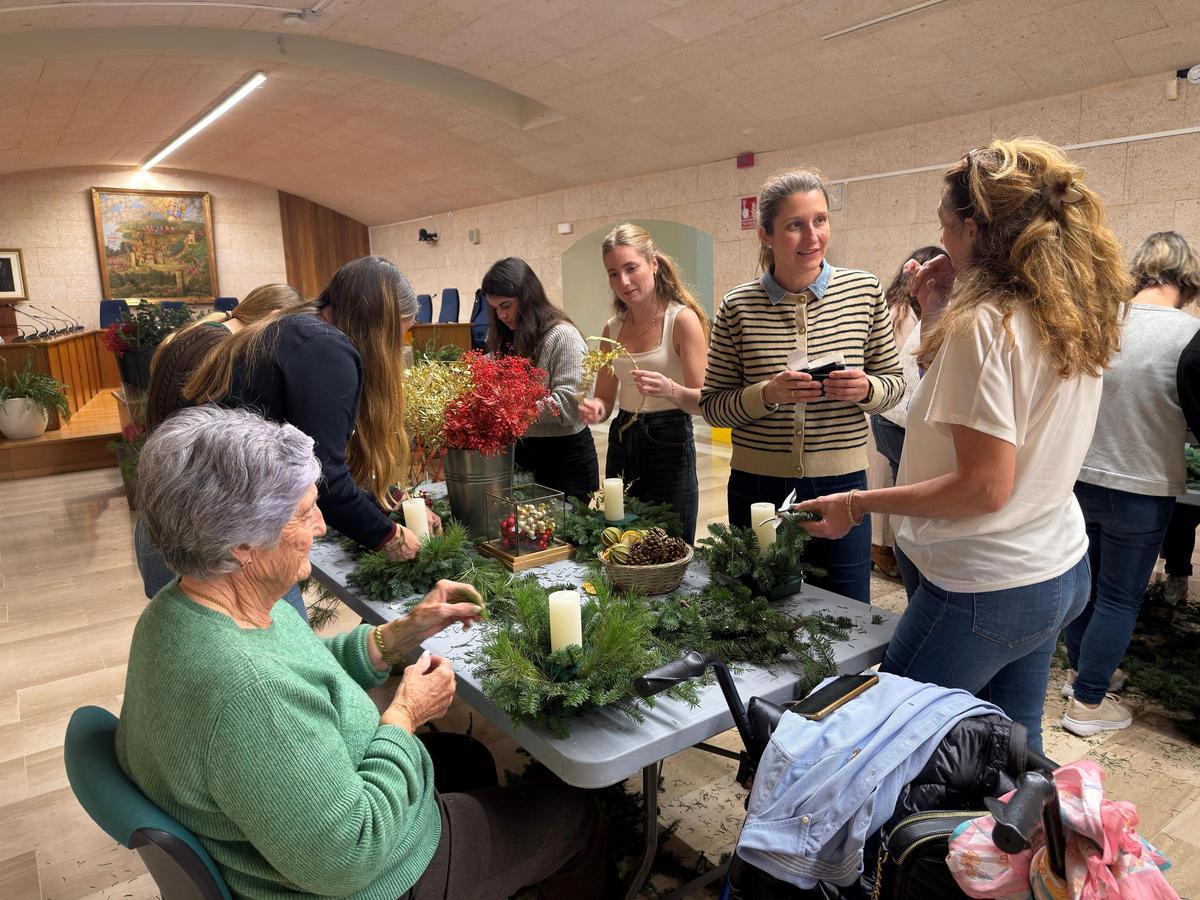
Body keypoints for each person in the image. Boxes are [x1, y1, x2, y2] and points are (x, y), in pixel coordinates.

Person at [117, 405, 605, 900]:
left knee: (468, 757)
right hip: (374, 878)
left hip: (322, 806)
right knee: (575, 812)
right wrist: (405, 716)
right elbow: (350, 855)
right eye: (305, 512)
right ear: (244, 543)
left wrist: (400, 634)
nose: (324, 525)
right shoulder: (247, 692)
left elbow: (301, 670)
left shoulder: (185, 607)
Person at [795, 139, 1128, 751]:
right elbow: (976, 414)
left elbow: (983, 486)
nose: (942, 241)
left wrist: (859, 505)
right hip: (1056, 567)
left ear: (977, 229)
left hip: (987, 586)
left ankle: (904, 846)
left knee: (890, 742)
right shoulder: (1067, 311)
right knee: (1010, 744)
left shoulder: (986, 325)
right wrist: (937, 312)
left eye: (948, 227)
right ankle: (1002, 844)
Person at [699, 170, 904, 602]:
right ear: (766, 235)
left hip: (842, 485)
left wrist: (865, 389)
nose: (812, 236)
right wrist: (767, 394)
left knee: (846, 615)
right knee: (759, 612)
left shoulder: (864, 291)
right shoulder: (738, 306)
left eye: (820, 220)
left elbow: (896, 386)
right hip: (758, 488)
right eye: (795, 224)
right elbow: (713, 406)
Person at [187, 255, 437, 563]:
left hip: (204, 510)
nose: (395, 348)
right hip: (227, 534)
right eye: (396, 336)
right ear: (376, 325)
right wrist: (390, 537)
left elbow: (319, 454)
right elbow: (321, 475)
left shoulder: (302, 327)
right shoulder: (326, 350)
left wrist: (392, 503)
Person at [1062, 230, 1200, 736]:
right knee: (1120, 598)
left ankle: (1083, 674)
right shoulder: (1190, 335)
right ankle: (1088, 705)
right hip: (1142, 488)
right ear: (1187, 280)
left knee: (1084, 589)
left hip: (1077, 479)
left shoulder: (1100, 322)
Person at [134, 284, 312, 606]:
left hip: (168, 517)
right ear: (273, 318)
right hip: (203, 532)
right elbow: (236, 459)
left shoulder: (197, 335)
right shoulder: (226, 352)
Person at [577, 224, 710, 543]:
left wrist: (670, 390)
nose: (623, 281)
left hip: (670, 437)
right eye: (613, 273)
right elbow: (606, 400)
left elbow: (705, 401)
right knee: (622, 539)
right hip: (624, 437)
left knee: (670, 543)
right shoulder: (612, 328)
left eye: (630, 268)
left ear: (653, 264)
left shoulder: (682, 320)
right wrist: (596, 407)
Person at [483, 256, 599, 501]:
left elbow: (571, 404)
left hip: (565, 458)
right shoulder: (507, 339)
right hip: (524, 454)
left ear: (527, 298)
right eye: (495, 309)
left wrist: (509, 409)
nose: (501, 315)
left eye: (506, 305)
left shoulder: (563, 336)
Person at [869, 246, 942, 578]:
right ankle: (891, 554)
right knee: (903, 504)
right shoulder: (903, 313)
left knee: (901, 500)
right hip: (896, 414)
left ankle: (894, 553)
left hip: (891, 413)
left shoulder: (901, 307)